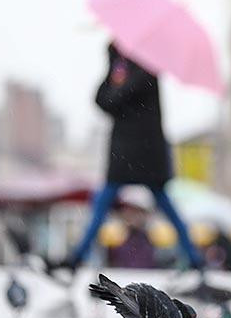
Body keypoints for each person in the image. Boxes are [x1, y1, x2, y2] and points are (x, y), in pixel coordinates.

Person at [47, 43, 203, 275]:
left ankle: (194, 258)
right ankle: (77, 256)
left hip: (145, 152)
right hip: (125, 152)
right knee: (104, 203)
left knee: (160, 204)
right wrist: (112, 64)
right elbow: (101, 99)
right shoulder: (123, 66)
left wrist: (116, 71)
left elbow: (115, 99)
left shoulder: (147, 65)